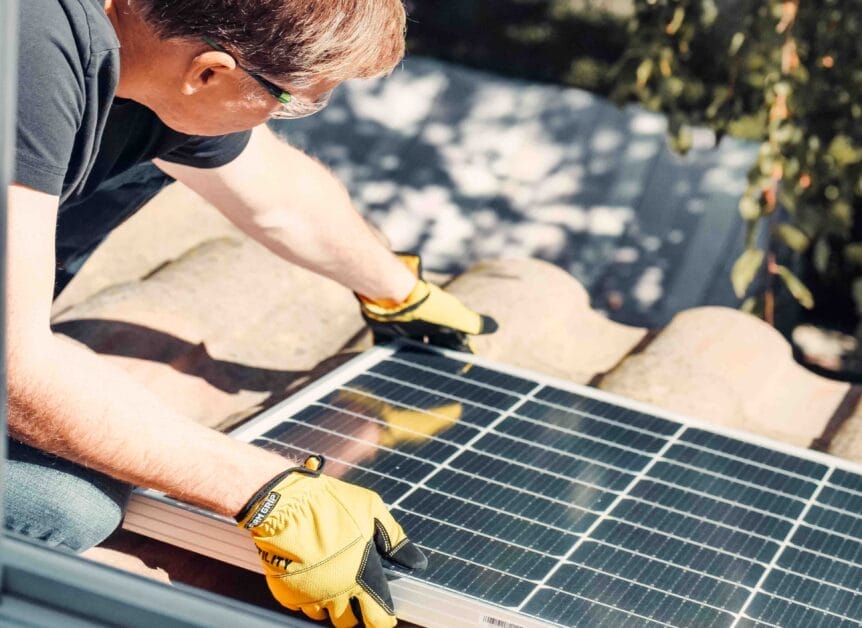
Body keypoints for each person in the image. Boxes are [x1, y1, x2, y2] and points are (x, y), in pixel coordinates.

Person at [6, 0, 496, 626]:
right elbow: (15, 368)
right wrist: (266, 492)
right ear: (207, 72)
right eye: (293, 100)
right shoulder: (24, 58)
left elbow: (278, 197)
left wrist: (396, 289)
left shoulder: (142, 51)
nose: (293, 116)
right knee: (66, 504)